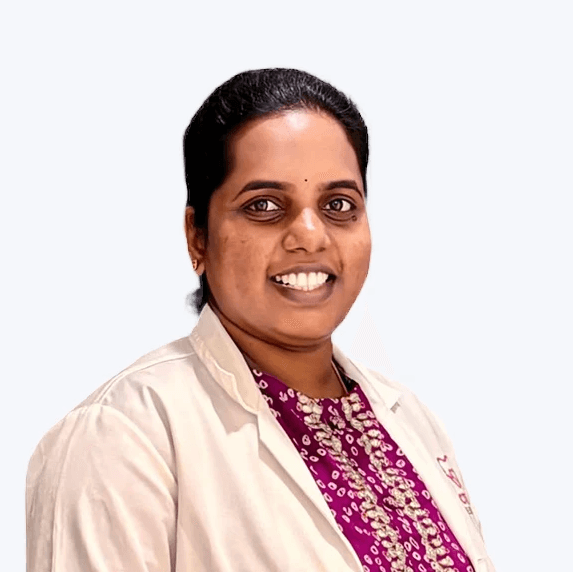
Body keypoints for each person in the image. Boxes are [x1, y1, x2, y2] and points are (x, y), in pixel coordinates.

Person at [26, 68, 495, 572]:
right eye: (265, 206)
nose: (311, 236)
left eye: (339, 205)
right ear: (198, 236)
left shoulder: (412, 423)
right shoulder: (123, 436)